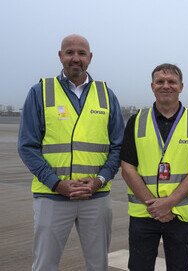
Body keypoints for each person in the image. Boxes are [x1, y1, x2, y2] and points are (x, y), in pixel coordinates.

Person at [18, 34, 124, 271]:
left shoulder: (106, 95)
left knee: (98, 265)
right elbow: (27, 145)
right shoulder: (41, 92)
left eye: (81, 53)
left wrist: (100, 180)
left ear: (90, 58)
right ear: (60, 56)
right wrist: (56, 183)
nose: (76, 58)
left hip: (95, 196)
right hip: (52, 196)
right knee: (44, 264)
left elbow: (118, 146)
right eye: (70, 52)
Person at [120, 63, 188, 271]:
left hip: (180, 215)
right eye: (160, 82)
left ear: (181, 86)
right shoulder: (136, 121)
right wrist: (155, 206)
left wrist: (169, 202)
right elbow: (127, 168)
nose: (166, 86)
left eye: (172, 82)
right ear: (152, 86)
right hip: (144, 214)